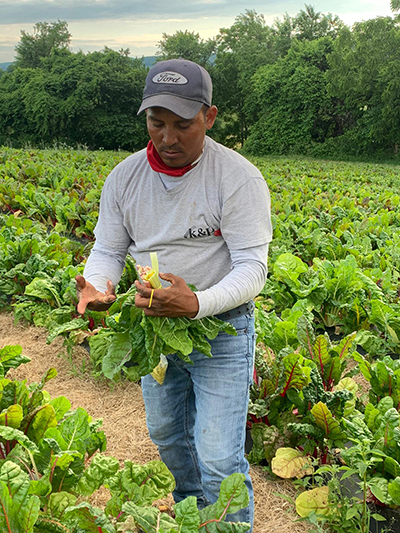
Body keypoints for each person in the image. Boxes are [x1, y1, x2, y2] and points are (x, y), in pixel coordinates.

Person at [76, 58, 272, 531]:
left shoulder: (238, 178)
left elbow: (253, 269)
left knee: (220, 454)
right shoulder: (123, 178)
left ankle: (229, 524)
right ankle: (193, 514)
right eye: (156, 122)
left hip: (221, 329)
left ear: (210, 116)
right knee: (166, 435)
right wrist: (99, 286)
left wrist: (197, 303)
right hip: (155, 331)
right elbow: (108, 248)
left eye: (183, 125)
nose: (167, 137)